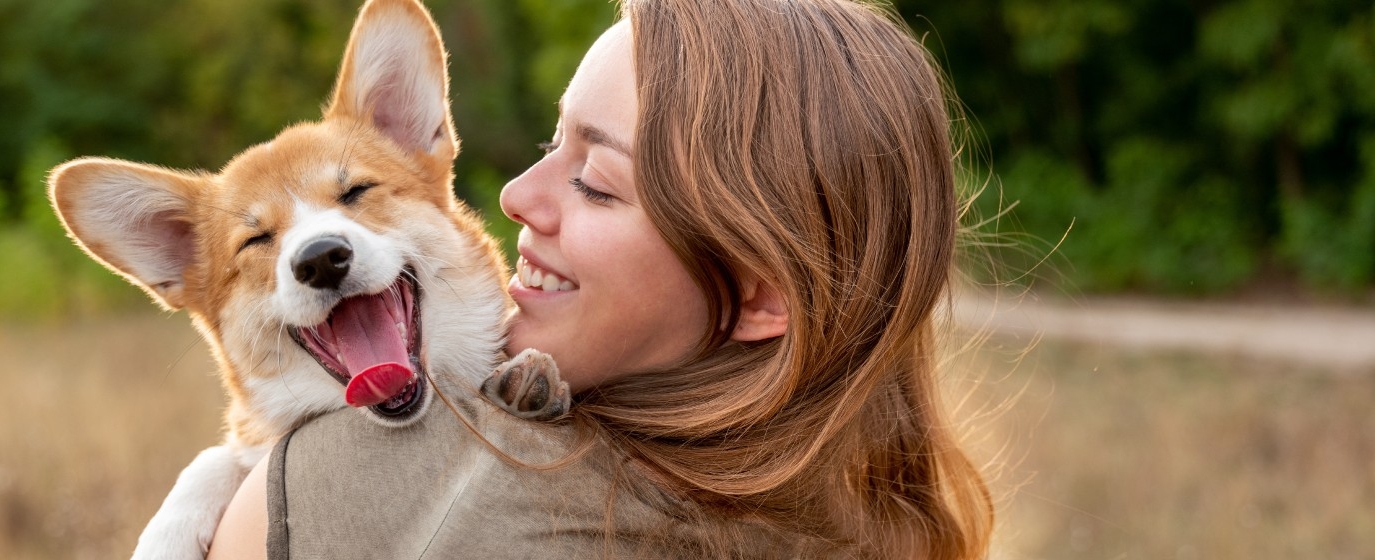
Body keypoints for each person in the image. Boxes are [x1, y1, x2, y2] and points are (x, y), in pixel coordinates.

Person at [209, 0, 993, 557]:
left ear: (759, 294)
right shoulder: (874, 524)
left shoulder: (375, 485)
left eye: (598, 182)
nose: (515, 196)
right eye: (555, 143)